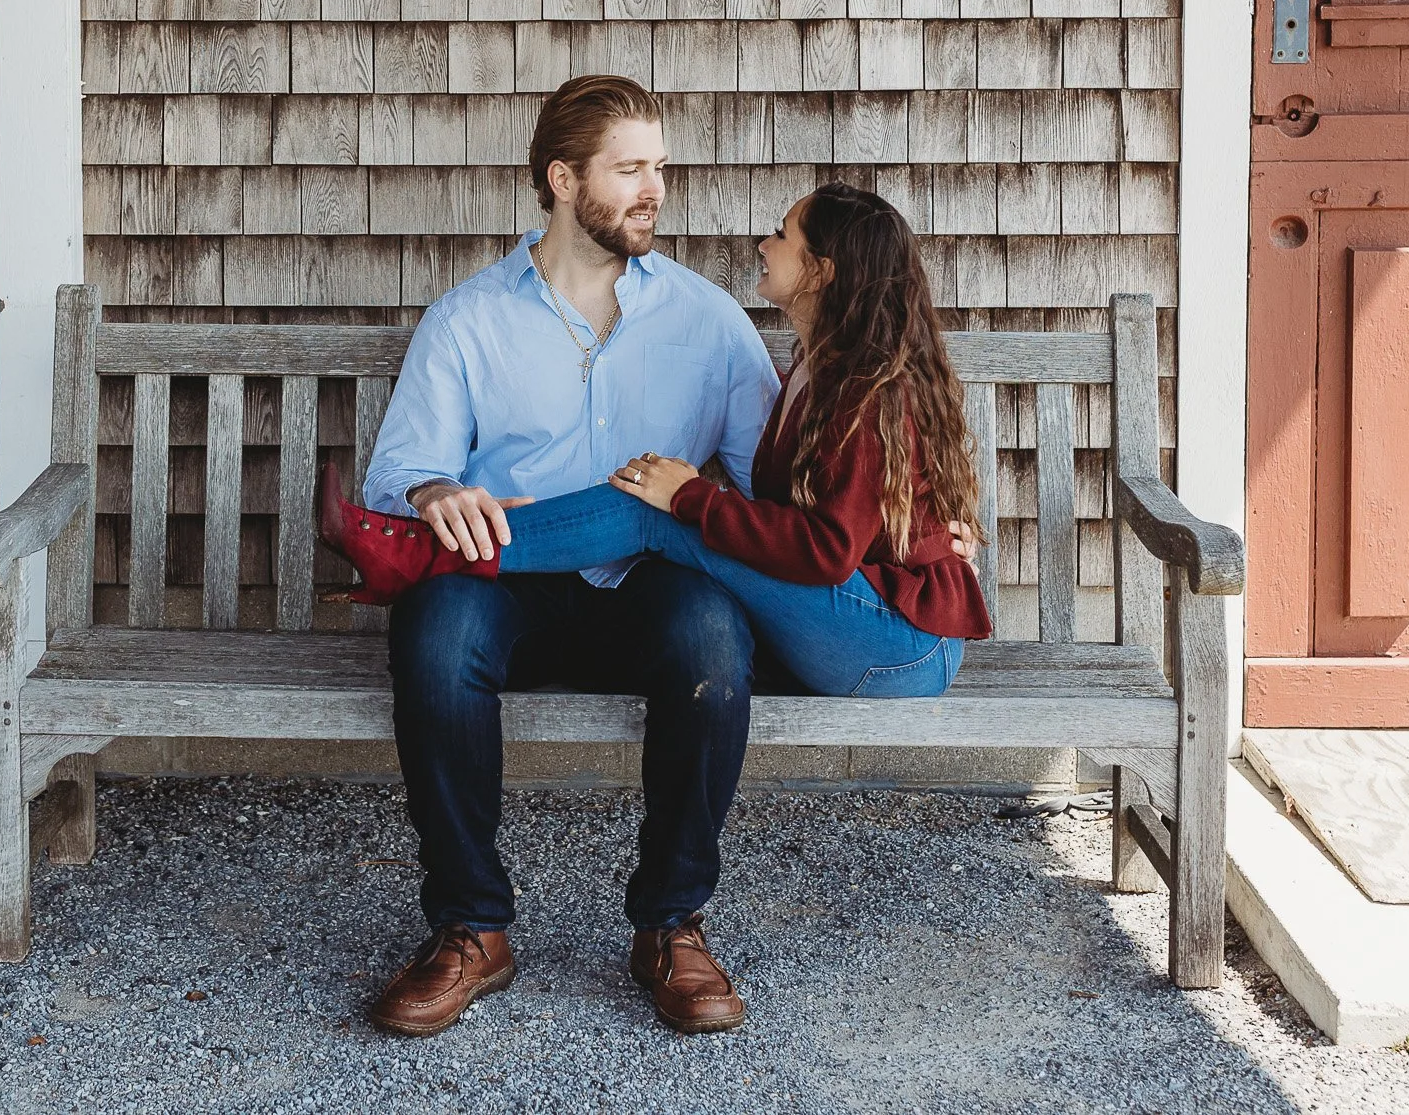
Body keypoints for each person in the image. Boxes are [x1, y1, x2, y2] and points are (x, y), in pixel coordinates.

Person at [350, 74, 779, 1038]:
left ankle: (671, 923)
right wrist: (437, 492)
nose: (654, 189)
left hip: (648, 589)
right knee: (435, 625)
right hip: (516, 584)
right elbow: (400, 474)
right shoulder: (469, 318)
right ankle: (471, 925)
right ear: (560, 178)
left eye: (660, 168)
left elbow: (770, 492)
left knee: (714, 635)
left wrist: (916, 523)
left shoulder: (710, 322)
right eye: (629, 169)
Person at [327, 182, 994, 702]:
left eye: (781, 234)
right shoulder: (811, 370)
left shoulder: (867, 391)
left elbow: (823, 549)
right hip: (856, 622)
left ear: (820, 270)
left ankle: (422, 551)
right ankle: (430, 552)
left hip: (900, 645)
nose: (763, 243)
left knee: (658, 507)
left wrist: (694, 500)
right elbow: (807, 516)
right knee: (661, 508)